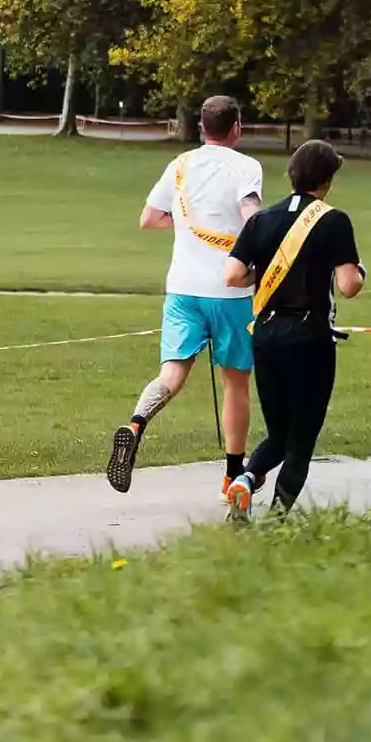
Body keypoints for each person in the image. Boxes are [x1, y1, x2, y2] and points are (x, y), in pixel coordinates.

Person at [108, 95, 264, 497]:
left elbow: (149, 218)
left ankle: (136, 424)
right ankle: (232, 476)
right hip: (231, 292)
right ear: (236, 128)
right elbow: (252, 216)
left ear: (200, 129)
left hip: (181, 288)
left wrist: (187, 229)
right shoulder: (247, 167)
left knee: (172, 373)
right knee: (235, 384)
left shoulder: (179, 165)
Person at [222, 140, 362, 519]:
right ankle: (278, 520)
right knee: (301, 442)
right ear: (328, 180)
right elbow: (348, 285)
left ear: (292, 175)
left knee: (278, 433)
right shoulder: (333, 220)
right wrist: (359, 274)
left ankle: (246, 478)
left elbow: (233, 275)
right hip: (310, 338)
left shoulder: (261, 220)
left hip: (266, 336)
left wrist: (262, 275)